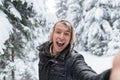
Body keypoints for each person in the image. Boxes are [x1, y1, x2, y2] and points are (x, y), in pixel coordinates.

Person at [37, 20, 120, 80]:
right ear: (52, 34)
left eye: (66, 34)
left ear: (70, 39)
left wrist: (109, 76)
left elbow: (87, 76)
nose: (61, 37)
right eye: (58, 32)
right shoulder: (44, 53)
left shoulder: (73, 60)